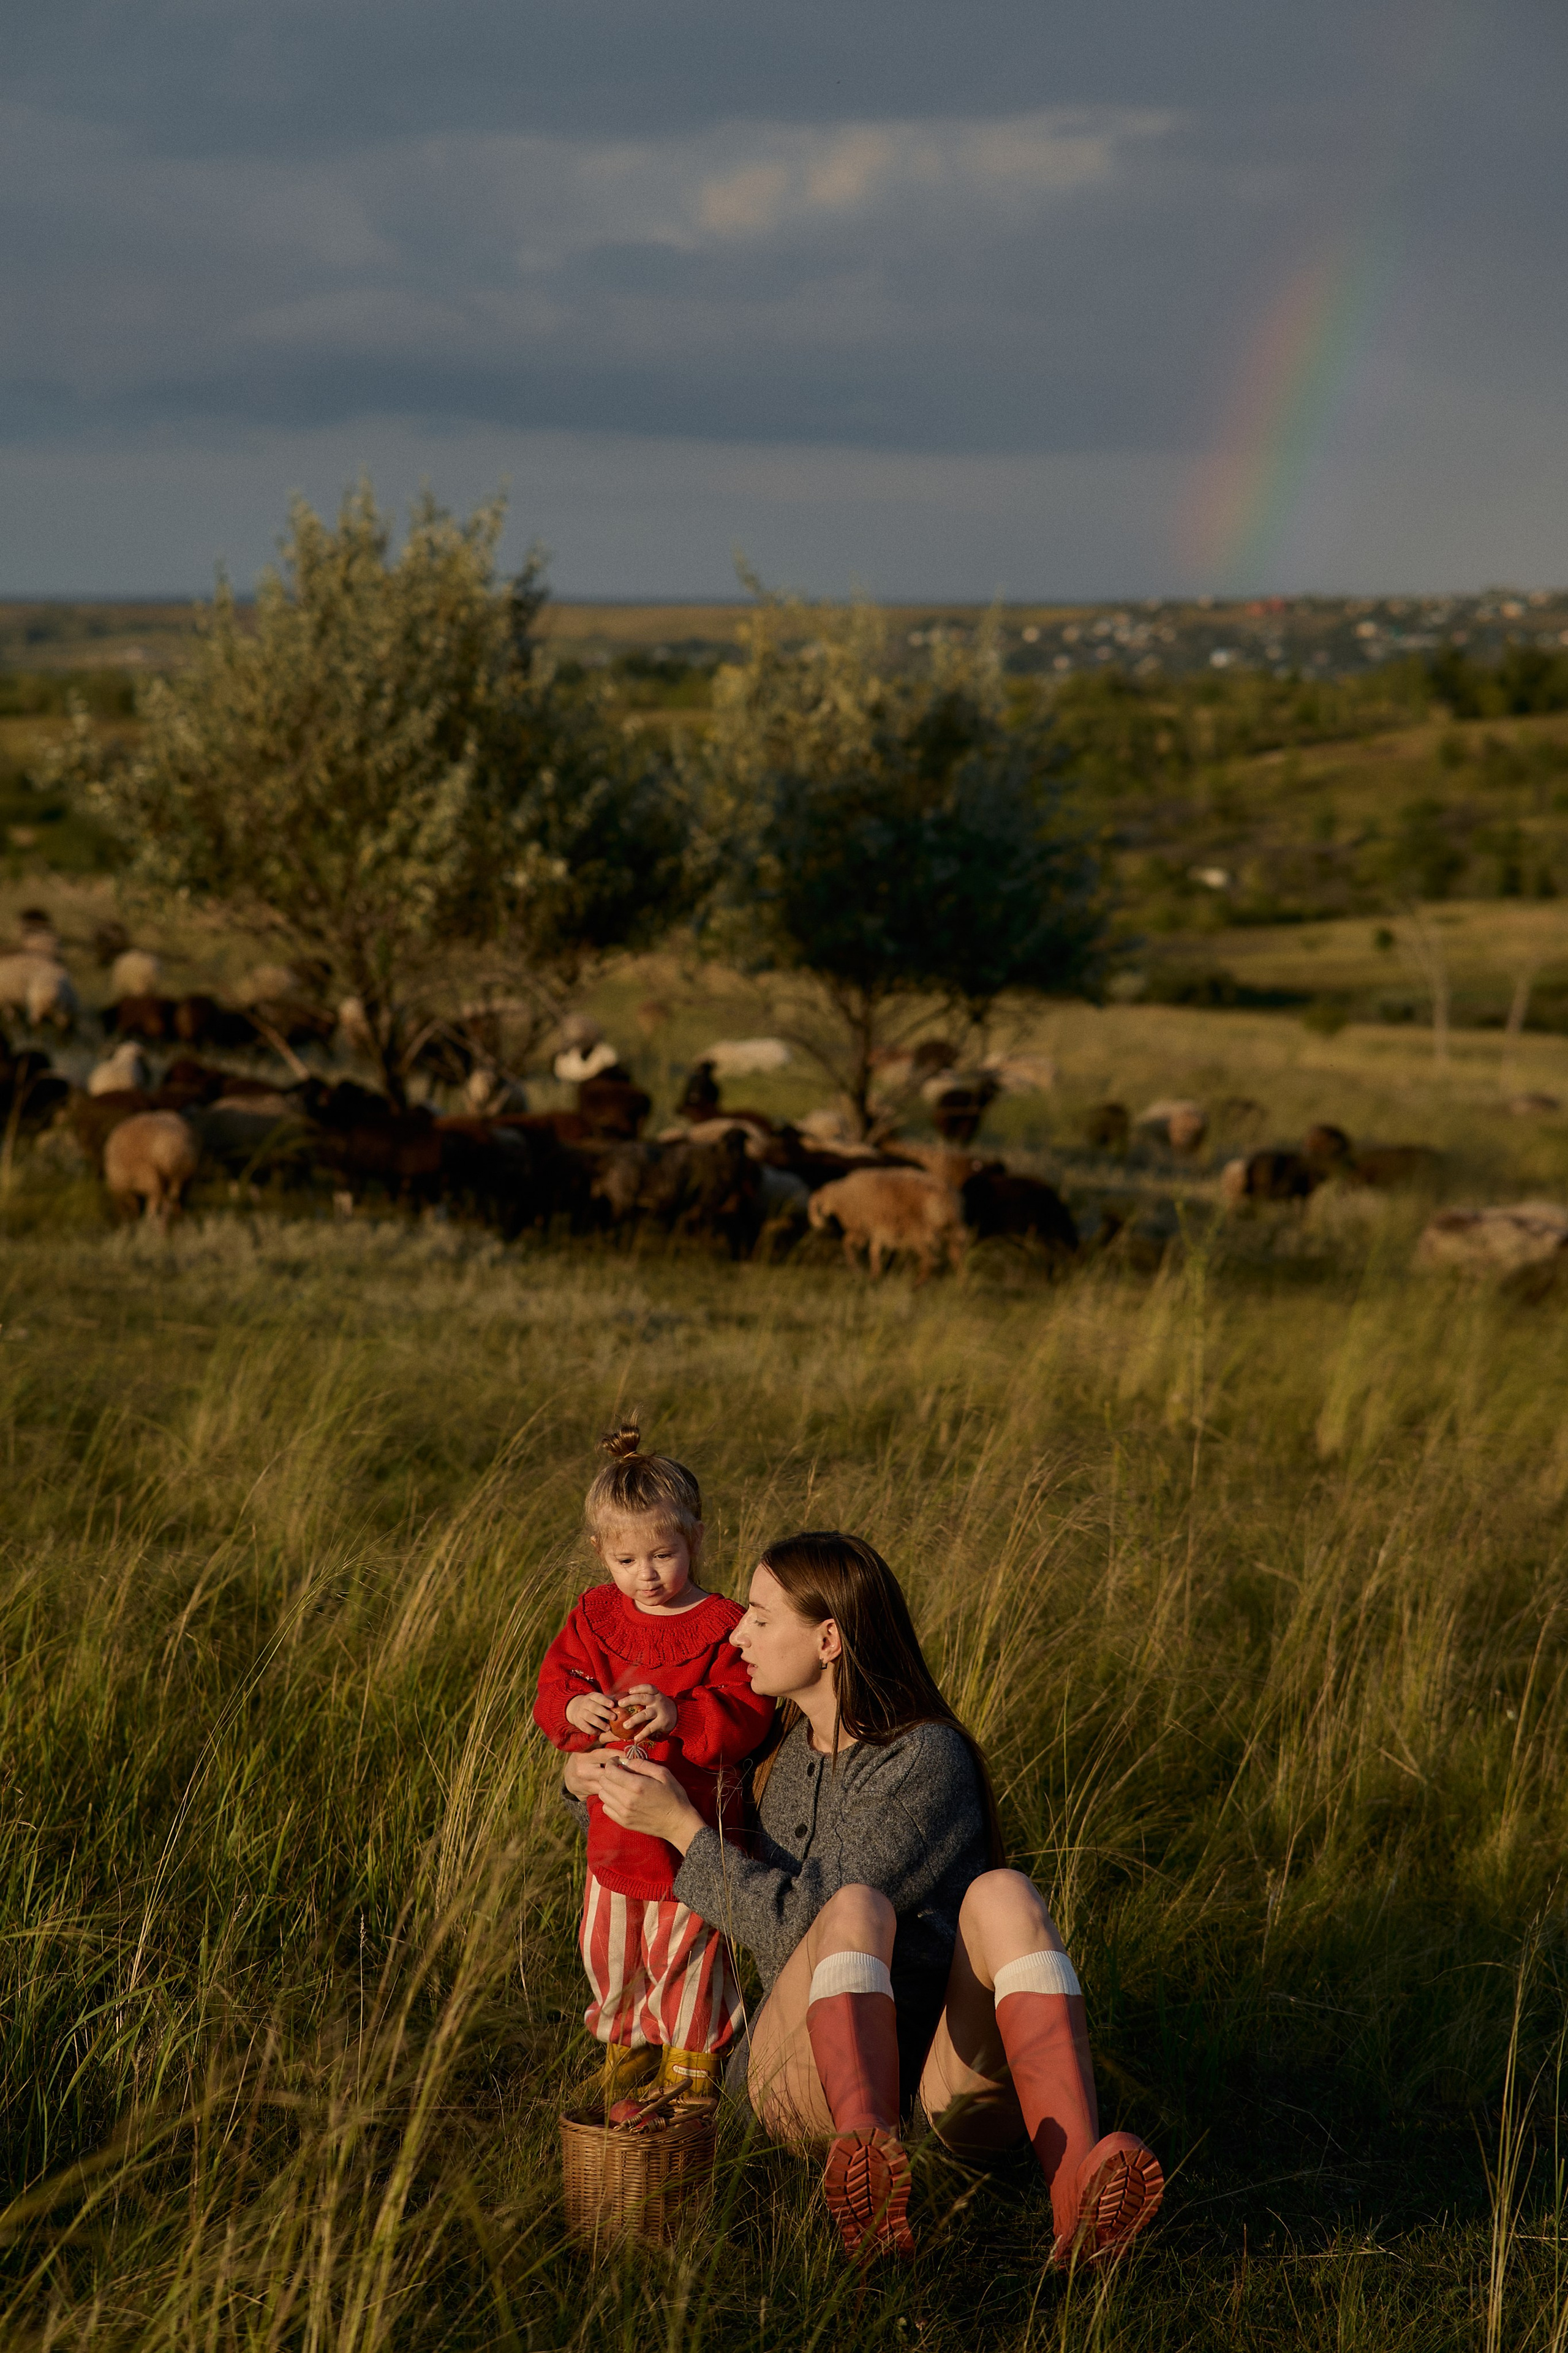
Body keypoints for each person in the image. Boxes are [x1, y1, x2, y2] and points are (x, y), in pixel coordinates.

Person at [564, 1531, 1163, 2265]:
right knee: (852, 1909)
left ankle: (1075, 2185)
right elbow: (650, 1824)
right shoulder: (768, 1745)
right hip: (801, 2081)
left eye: (757, 1614)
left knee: (996, 1893)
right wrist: (581, 1782)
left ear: (827, 1638)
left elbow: (787, 1921)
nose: (735, 1629)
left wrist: (689, 1835)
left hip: (951, 2086)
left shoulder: (923, 1759)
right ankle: (867, 2177)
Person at [534, 1426, 776, 2116]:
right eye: (626, 1557)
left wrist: (681, 1714)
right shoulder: (594, 1613)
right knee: (608, 1949)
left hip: (689, 1831)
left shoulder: (725, 1625)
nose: (645, 1573)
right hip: (613, 1829)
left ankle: (692, 2064)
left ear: (696, 1539)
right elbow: (556, 1682)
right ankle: (627, 2046)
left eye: (663, 1554)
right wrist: (574, 1704)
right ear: (598, 1553)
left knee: (686, 1952)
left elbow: (748, 1709)